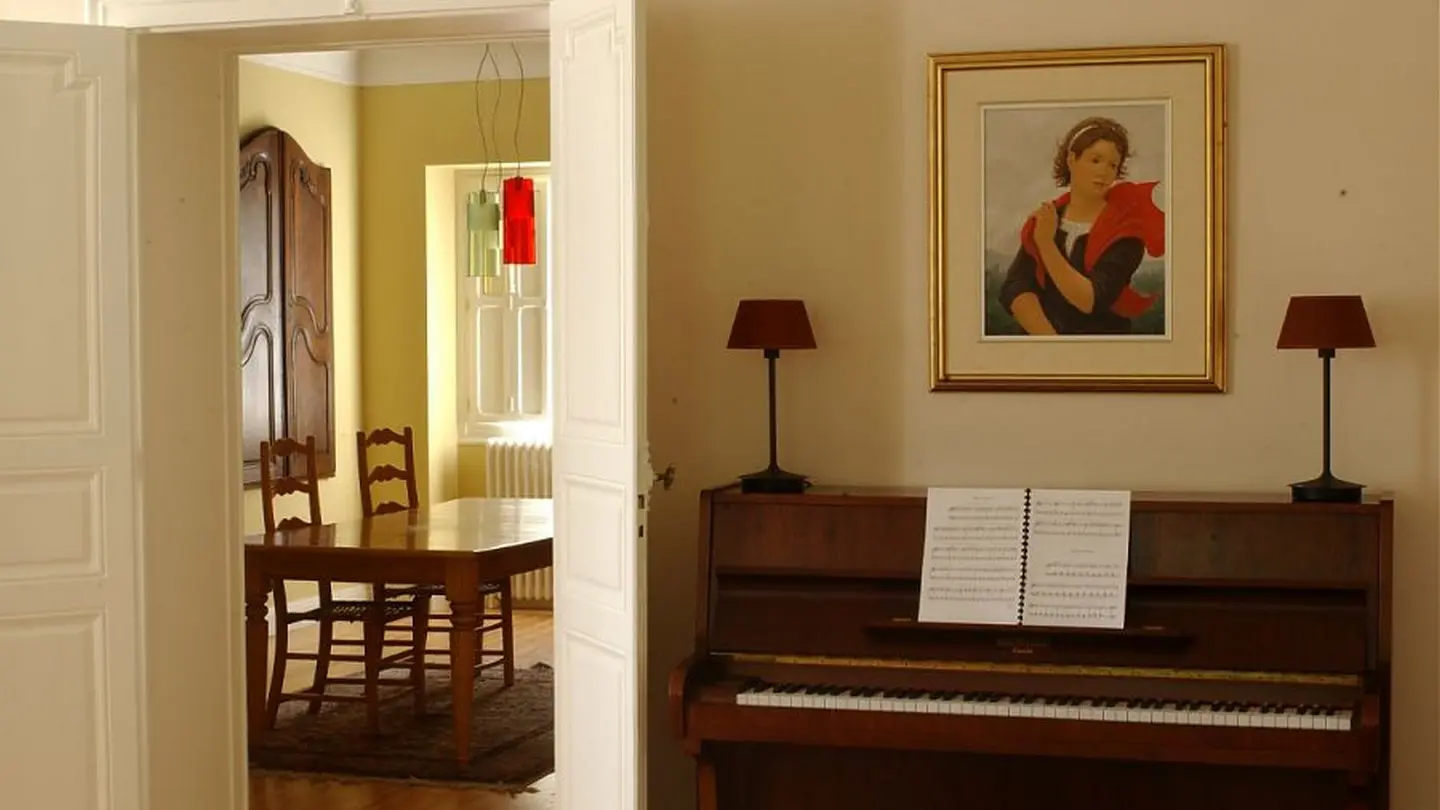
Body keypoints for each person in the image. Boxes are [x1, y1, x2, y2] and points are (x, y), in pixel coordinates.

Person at [996, 116, 1165, 335]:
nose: (1104, 171)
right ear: (1072, 160)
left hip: (1099, 348)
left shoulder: (1127, 230)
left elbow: (1090, 300)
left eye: (1113, 165)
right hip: (1041, 345)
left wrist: (1046, 245)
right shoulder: (1048, 218)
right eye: (1095, 160)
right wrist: (1049, 342)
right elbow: (1016, 287)